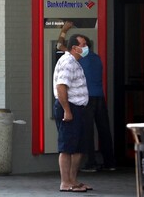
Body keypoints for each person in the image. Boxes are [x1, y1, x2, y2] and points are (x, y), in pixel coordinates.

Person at [57, 22, 116, 172]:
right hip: (100, 97)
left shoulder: (78, 58)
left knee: (87, 131)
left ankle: (91, 163)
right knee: (104, 130)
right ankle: (110, 163)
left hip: (86, 99)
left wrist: (64, 31)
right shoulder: (96, 58)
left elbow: (59, 47)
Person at [53, 34, 92, 192]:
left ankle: (73, 180)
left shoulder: (75, 62)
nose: (85, 47)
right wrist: (67, 111)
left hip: (79, 108)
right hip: (70, 108)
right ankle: (65, 182)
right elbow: (61, 87)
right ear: (74, 47)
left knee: (79, 147)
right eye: (83, 44)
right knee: (67, 147)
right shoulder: (68, 62)